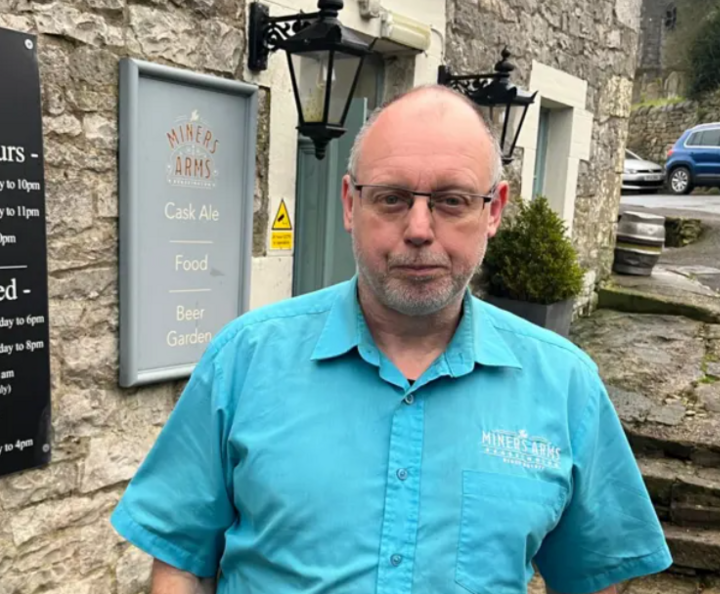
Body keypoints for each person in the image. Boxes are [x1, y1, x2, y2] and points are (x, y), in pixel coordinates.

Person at [110, 84, 672, 594]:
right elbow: (183, 561)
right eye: (392, 198)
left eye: (452, 200)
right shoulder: (244, 360)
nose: (420, 229)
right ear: (351, 204)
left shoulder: (564, 384)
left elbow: (597, 576)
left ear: (494, 210)